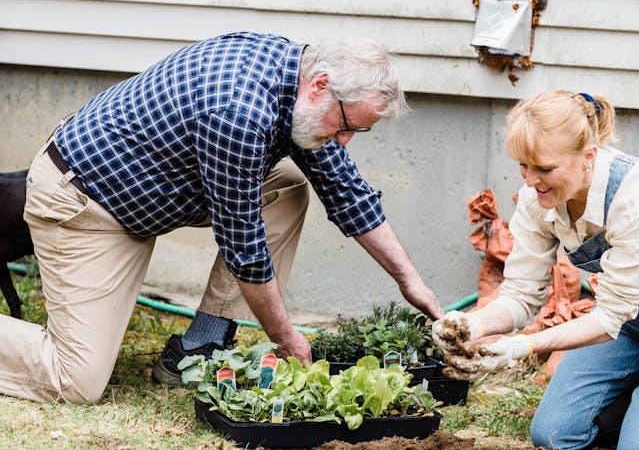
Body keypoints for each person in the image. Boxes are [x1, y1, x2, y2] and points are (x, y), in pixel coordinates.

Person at [0, 32, 441, 404]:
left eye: (356, 131)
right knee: (75, 380)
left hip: (148, 194)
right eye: (346, 125)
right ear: (321, 85)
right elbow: (244, 247)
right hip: (87, 204)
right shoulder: (239, 111)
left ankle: (200, 344)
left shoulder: (297, 80)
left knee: (287, 185)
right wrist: (287, 340)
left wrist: (410, 283)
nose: (344, 141)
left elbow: (347, 192)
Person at [433, 90, 639, 450]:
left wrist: (525, 346)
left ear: (588, 157)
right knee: (552, 436)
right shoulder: (538, 201)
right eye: (522, 166)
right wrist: (472, 324)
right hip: (630, 315)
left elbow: (607, 319)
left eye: (544, 168)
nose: (531, 182)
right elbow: (519, 294)